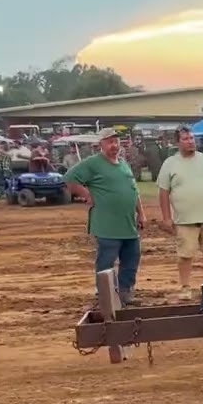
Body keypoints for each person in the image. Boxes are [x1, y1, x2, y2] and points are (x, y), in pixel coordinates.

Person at [64, 128, 146, 305]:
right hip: (107, 225)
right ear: (100, 144)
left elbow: (134, 190)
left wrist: (141, 214)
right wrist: (87, 195)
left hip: (128, 223)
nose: (114, 146)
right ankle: (105, 297)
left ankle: (125, 294)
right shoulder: (93, 163)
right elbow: (70, 178)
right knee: (106, 262)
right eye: (109, 142)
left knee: (131, 259)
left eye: (116, 141)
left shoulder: (123, 163)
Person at [157, 126, 203, 298]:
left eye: (191, 138)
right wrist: (167, 218)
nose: (190, 141)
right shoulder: (170, 164)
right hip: (184, 220)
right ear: (177, 142)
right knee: (185, 255)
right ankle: (185, 287)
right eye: (185, 139)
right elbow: (163, 193)